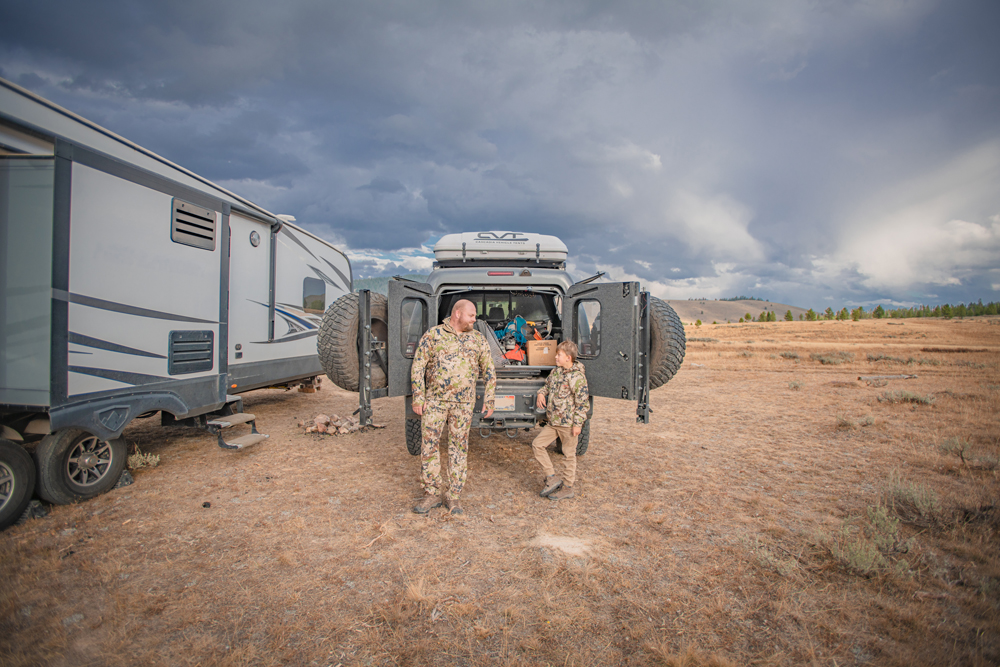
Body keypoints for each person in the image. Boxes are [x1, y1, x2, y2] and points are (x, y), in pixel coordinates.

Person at [410, 299, 496, 515]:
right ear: (458, 314)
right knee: (429, 446)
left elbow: (489, 370)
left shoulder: (477, 339)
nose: (475, 320)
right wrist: (418, 397)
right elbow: (418, 366)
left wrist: (490, 398)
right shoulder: (434, 335)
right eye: (471, 315)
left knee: (459, 448)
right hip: (435, 402)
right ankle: (432, 493)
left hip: (464, 404)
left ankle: (454, 496)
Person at [532, 340, 589, 500]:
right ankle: (551, 477)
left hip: (568, 425)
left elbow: (583, 404)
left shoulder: (577, 378)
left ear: (568, 358)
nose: (556, 357)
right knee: (537, 445)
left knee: (569, 456)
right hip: (553, 423)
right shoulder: (556, 373)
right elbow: (547, 386)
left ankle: (568, 488)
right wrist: (541, 393)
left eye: (559, 355)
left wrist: (578, 424)